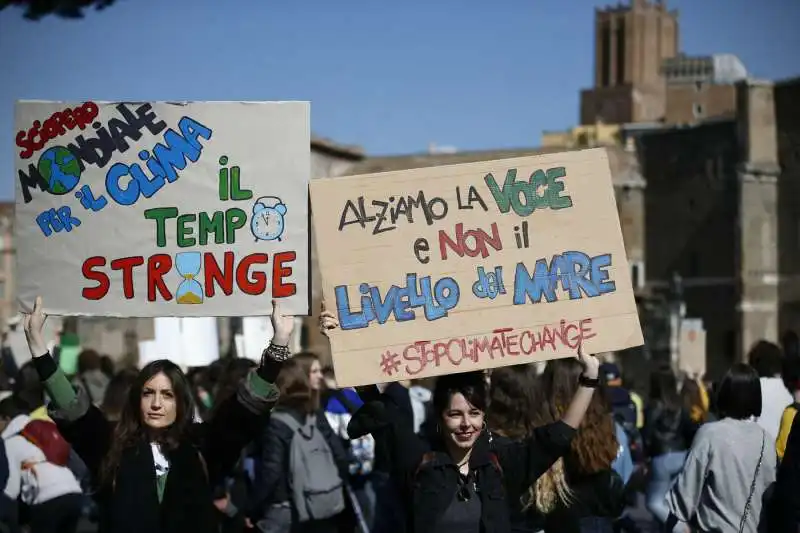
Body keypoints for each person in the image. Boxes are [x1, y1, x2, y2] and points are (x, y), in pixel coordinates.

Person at [22, 296, 293, 533]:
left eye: (167, 395)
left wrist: (278, 346)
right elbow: (74, 411)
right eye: (148, 393)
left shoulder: (201, 445)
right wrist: (38, 348)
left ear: (181, 402)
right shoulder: (112, 445)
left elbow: (240, 414)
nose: (156, 404)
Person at [320, 308, 601, 533]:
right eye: (455, 414)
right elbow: (377, 405)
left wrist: (589, 378)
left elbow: (559, 436)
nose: (466, 423)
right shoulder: (420, 461)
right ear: (440, 418)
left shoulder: (499, 463)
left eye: (474, 413)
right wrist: (341, 341)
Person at [666, 364, 777, 533]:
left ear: (724, 394)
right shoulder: (766, 440)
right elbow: (770, 493)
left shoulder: (710, 434)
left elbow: (685, 495)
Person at [642, 366, 695, 528]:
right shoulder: (680, 404)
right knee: (670, 502)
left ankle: (680, 528)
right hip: (681, 456)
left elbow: (647, 435)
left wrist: (646, 457)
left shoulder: (654, 406)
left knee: (654, 502)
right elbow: (690, 430)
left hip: (661, 458)